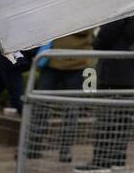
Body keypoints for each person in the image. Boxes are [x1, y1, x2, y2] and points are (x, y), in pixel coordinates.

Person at [77, 12, 134, 171]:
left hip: (112, 71)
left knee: (106, 118)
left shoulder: (122, 10)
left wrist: (96, 41)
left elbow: (106, 36)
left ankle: (101, 161)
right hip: (129, 70)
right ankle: (118, 159)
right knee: (121, 118)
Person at [26, 28, 94, 164]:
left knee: (70, 110)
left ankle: (64, 149)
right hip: (52, 61)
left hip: (76, 65)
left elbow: (87, 29)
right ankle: (34, 146)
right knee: (41, 106)